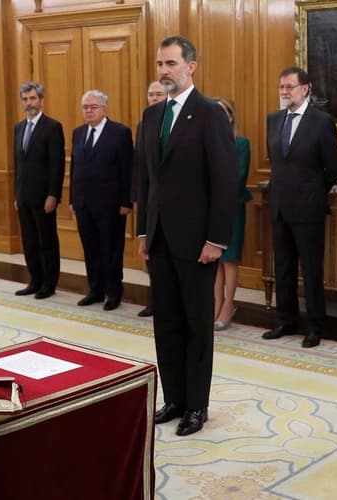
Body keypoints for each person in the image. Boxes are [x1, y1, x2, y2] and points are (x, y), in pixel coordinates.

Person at [136, 35, 235, 436]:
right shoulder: (151, 115)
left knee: (196, 325)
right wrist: (144, 229)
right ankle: (174, 397)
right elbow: (147, 180)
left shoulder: (210, 114)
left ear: (191, 67)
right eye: (161, 64)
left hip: (198, 244)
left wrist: (216, 239)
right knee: (167, 323)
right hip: (160, 238)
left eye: (172, 64)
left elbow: (225, 181)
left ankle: (197, 405)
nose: (164, 71)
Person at [262, 66, 337, 348]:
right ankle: (286, 321)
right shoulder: (273, 120)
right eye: (281, 87)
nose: (285, 92)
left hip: (308, 209)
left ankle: (314, 326)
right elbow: (276, 160)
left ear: (305, 88)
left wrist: (313, 192)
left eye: (290, 87)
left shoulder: (321, 122)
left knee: (311, 270)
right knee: (283, 267)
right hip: (279, 207)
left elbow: (334, 167)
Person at [69, 90, 133, 311]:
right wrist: (72, 199)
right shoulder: (78, 133)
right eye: (85, 107)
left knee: (111, 250)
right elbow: (75, 167)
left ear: (104, 108)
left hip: (111, 205)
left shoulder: (120, 133)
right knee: (90, 249)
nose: (88, 111)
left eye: (93, 107)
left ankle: (113, 292)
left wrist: (127, 201)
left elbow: (127, 169)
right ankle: (95, 290)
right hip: (83, 203)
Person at [13, 82, 65, 300]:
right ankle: (34, 280)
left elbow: (57, 164)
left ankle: (49, 284)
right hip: (24, 197)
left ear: (41, 100)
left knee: (46, 241)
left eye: (32, 98)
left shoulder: (52, 127)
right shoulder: (19, 128)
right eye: (25, 99)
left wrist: (53, 194)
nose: (28, 103)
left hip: (44, 197)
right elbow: (18, 164)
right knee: (29, 241)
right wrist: (17, 195)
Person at [213, 98, 252, 331]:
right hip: (211, 210)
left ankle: (229, 305)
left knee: (229, 259)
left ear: (231, 116)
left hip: (232, 208)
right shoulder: (207, 142)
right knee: (215, 260)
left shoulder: (241, 143)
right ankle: (216, 305)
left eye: (224, 112)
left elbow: (238, 178)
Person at [133, 81, 168, 318]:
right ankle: (155, 301)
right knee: (151, 255)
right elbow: (139, 166)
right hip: (148, 198)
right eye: (151, 94)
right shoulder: (144, 123)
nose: (154, 97)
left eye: (159, 94)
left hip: (174, 203)